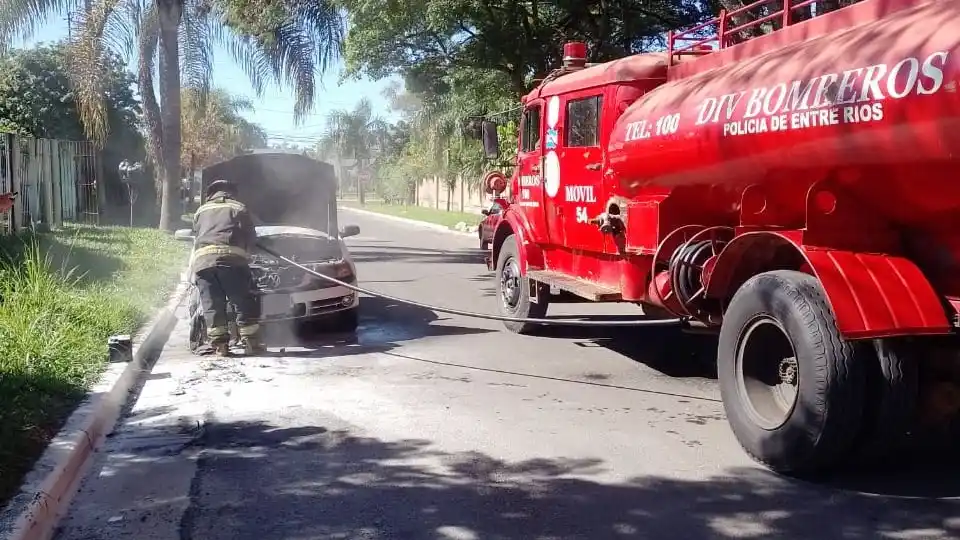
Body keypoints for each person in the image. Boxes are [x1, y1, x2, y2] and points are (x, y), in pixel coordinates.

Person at [191, 179, 265, 356]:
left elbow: (197, 234)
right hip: (231, 262)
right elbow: (250, 236)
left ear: (211, 194)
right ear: (231, 192)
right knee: (242, 302)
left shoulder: (201, 210)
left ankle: (220, 346)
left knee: (212, 304)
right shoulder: (238, 208)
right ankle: (250, 344)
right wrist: (249, 251)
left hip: (203, 263)